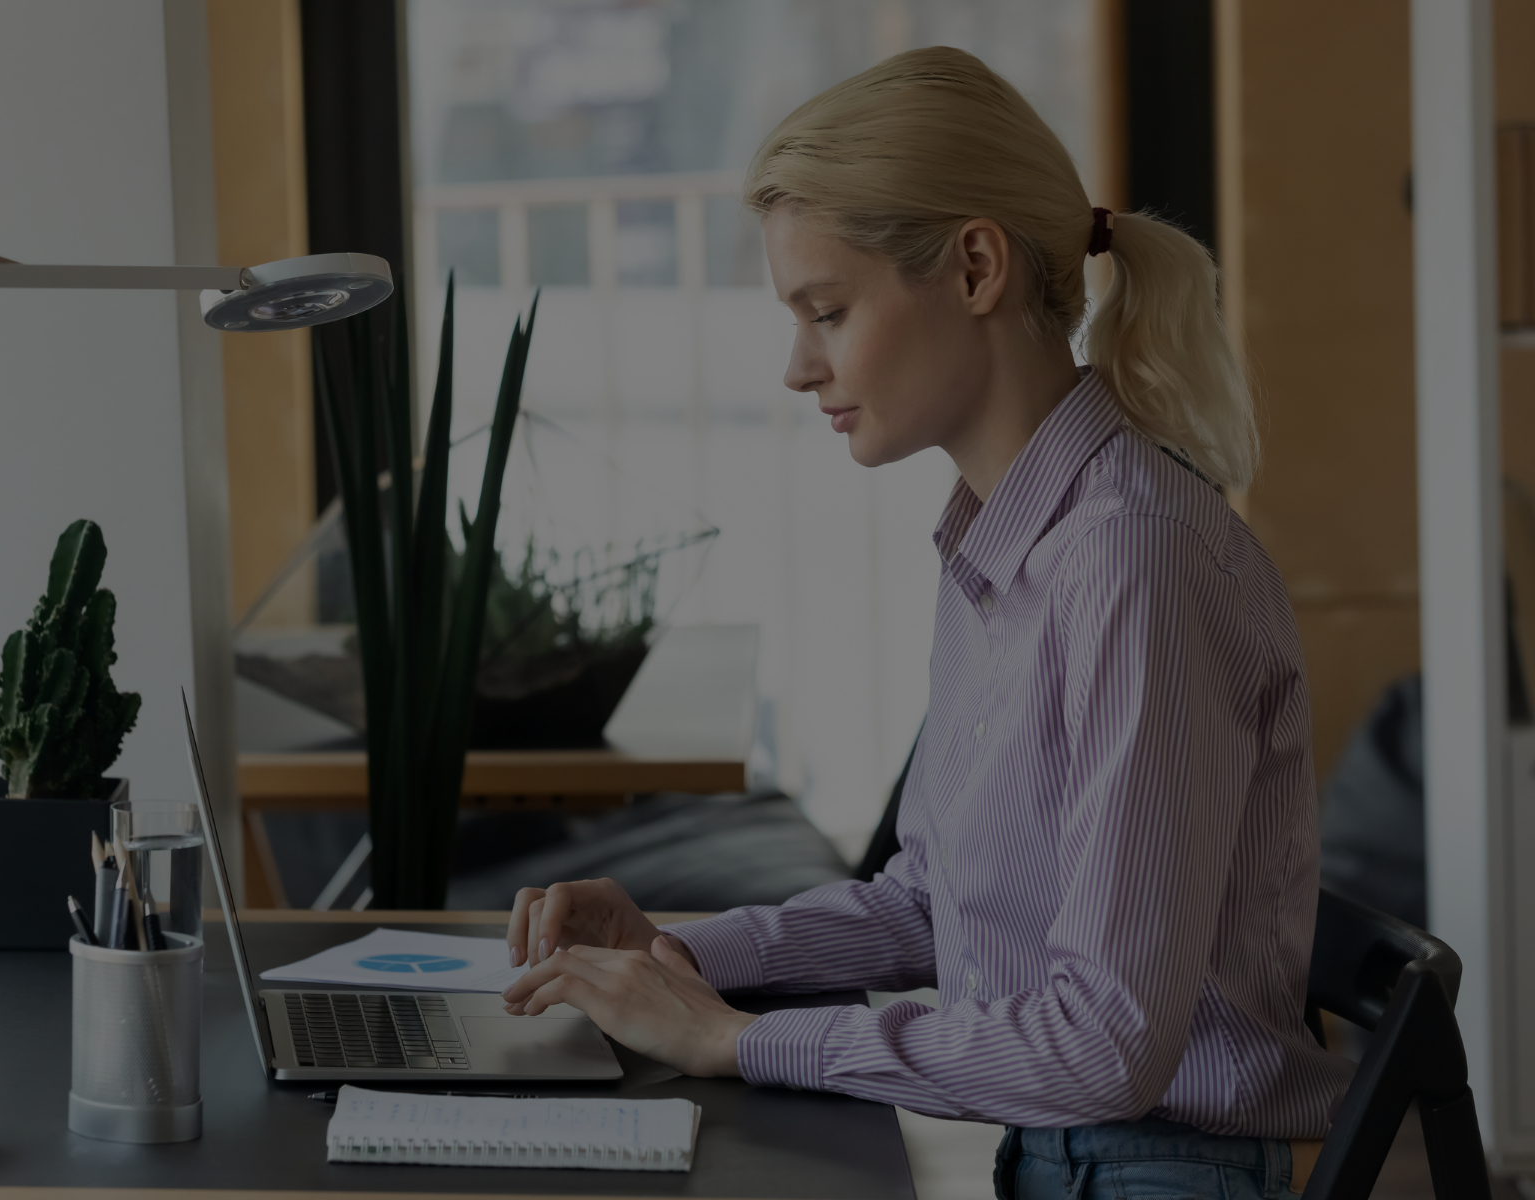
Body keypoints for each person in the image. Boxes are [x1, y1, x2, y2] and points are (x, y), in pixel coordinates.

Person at [497, 46, 1353, 1200]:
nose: (800, 367)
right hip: (1069, 1157)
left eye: (828, 310)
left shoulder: (1133, 564)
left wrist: (738, 1041)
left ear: (976, 266)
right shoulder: (999, 545)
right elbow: (931, 900)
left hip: (1158, 1172)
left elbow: (1106, 1045)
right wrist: (678, 956)